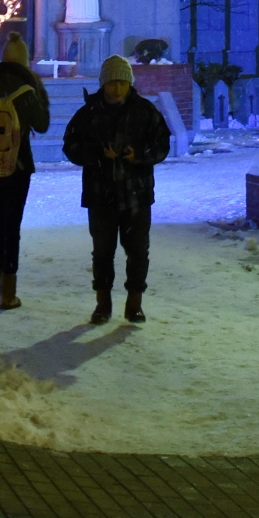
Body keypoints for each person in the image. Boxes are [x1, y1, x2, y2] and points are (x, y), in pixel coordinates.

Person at [62, 53, 171, 324]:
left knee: (137, 251)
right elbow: (71, 146)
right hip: (101, 194)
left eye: (122, 83)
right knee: (102, 251)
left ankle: (135, 303)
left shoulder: (145, 111)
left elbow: (162, 144)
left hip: (137, 193)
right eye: (112, 83)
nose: (118, 89)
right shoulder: (88, 114)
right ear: (103, 83)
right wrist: (98, 155)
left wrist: (140, 155)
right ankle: (103, 303)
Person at [0, 33, 50, 310]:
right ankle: (8, 291)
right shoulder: (28, 88)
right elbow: (42, 125)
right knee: (10, 226)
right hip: (17, 164)